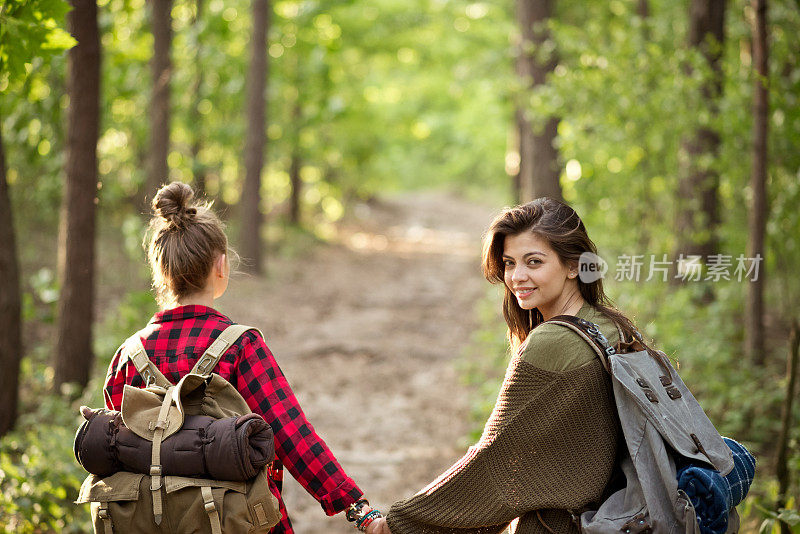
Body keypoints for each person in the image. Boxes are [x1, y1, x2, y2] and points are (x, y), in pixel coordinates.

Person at [369, 197, 663, 534]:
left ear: (573, 266)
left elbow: (491, 464)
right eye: (509, 263)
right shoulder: (615, 327)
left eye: (534, 262)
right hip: (620, 518)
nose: (517, 277)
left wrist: (399, 524)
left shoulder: (552, 343)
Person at [103, 181, 383, 533]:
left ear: (161, 273)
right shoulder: (239, 346)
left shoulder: (128, 356)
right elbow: (292, 433)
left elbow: (117, 450)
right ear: (221, 265)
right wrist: (357, 509)